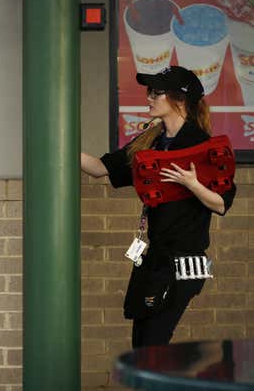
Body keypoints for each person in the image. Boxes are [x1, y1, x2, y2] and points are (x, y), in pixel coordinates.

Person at [81, 66, 236, 348]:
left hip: (185, 262)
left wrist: (192, 183)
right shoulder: (150, 141)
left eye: (157, 92)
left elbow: (222, 204)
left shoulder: (202, 146)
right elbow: (99, 168)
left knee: (153, 344)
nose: (149, 97)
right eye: (149, 91)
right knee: (142, 343)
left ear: (180, 99)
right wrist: (57, 143)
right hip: (155, 260)